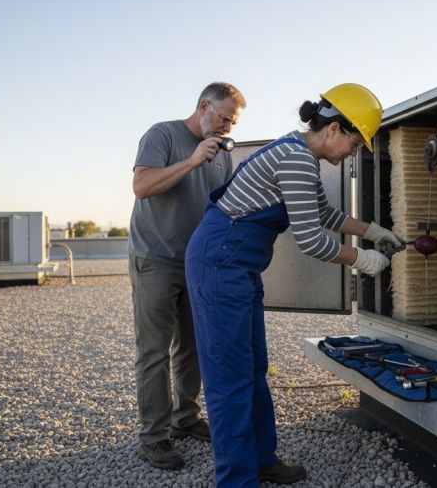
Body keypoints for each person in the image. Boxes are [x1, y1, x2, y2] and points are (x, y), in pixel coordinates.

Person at [184, 83, 403, 487]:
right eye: (354, 145)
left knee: (252, 367)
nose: (351, 154)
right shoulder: (297, 159)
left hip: (238, 265)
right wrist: (363, 259)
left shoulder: (298, 152)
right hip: (220, 262)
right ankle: (237, 479)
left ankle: (262, 460)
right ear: (335, 128)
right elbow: (313, 241)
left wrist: (374, 231)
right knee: (228, 375)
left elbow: (324, 214)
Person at [129, 82, 246, 470]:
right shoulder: (162, 134)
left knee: (193, 347)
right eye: (225, 117)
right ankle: (154, 438)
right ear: (203, 107)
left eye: (234, 120)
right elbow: (141, 186)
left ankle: (185, 419)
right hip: (156, 257)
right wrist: (192, 161)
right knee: (154, 351)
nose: (229, 126)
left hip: (198, 262)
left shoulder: (222, 155)